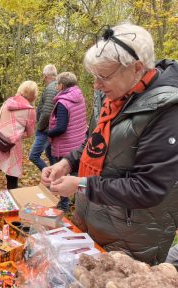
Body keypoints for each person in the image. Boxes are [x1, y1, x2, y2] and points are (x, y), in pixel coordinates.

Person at [41, 23, 178, 265]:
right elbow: (93, 143)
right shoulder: (114, 97)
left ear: (137, 68)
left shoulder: (168, 111)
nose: (96, 85)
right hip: (92, 222)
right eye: (94, 76)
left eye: (104, 77)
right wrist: (67, 162)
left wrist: (82, 185)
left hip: (131, 242)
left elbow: (149, 188)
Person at [0, 80, 37, 190]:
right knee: (12, 177)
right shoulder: (30, 111)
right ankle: (13, 204)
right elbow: (30, 133)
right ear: (33, 95)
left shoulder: (8, 102)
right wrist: (19, 134)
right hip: (12, 146)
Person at [48, 72, 87, 212]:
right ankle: (79, 204)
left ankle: (63, 205)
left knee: (61, 176)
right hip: (78, 141)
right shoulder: (79, 97)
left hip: (65, 145)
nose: (56, 86)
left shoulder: (63, 102)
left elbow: (60, 128)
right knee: (77, 174)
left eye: (57, 84)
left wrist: (48, 133)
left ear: (61, 85)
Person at [29, 64, 57, 170]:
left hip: (45, 129)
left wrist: (40, 126)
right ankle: (56, 180)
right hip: (51, 129)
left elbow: (47, 113)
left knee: (34, 156)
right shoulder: (55, 86)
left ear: (45, 75)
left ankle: (50, 176)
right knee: (51, 155)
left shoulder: (51, 87)